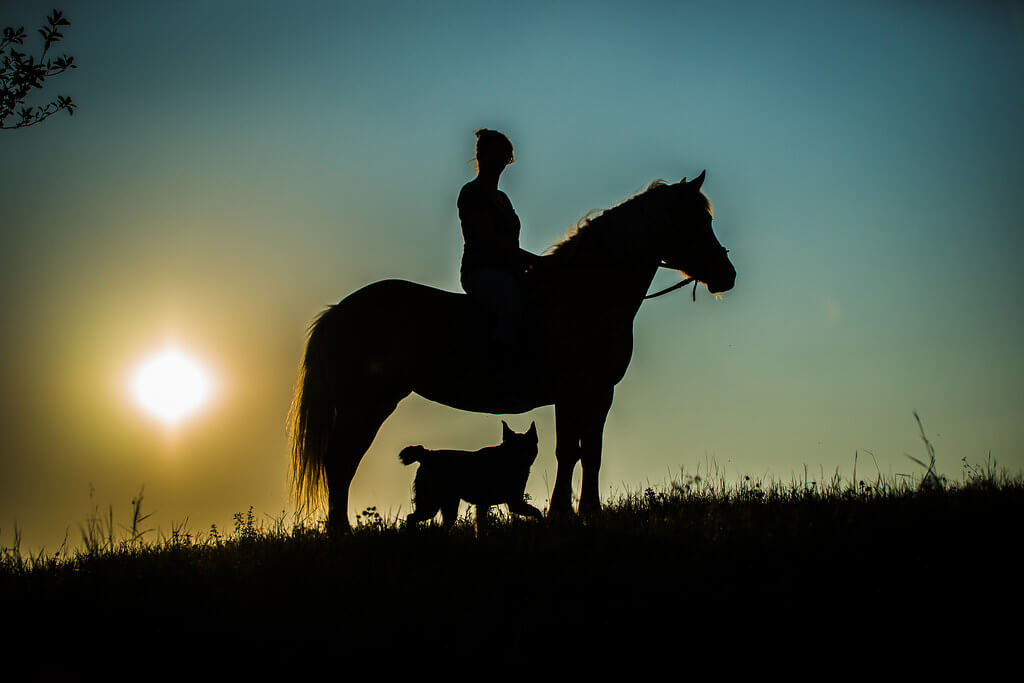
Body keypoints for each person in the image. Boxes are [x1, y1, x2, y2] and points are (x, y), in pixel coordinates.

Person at [458, 129, 540, 347]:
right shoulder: (471, 192)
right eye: (496, 154)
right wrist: (535, 261)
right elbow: (489, 241)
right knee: (510, 311)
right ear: (481, 156)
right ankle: (499, 362)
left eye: (504, 156)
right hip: (482, 271)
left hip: (510, 272)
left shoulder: (503, 198)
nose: (501, 161)